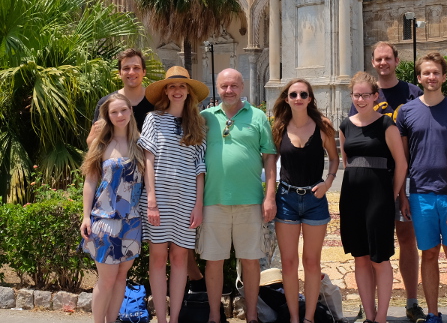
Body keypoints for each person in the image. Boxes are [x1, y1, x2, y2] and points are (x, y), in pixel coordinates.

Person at [350, 41, 424, 322]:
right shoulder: (364, 94)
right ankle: (367, 304)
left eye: (387, 58)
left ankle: (411, 301)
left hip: (405, 177)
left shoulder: (412, 93)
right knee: (369, 245)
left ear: (396, 60)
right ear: (373, 62)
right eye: (378, 59)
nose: (383, 63)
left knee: (406, 238)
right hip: (373, 181)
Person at [199, 68, 277, 323]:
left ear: (242, 87)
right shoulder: (206, 117)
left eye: (234, 85)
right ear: (217, 88)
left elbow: (269, 157)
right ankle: (214, 316)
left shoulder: (258, 116)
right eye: (224, 86)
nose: (229, 90)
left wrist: (270, 196)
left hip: (250, 201)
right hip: (213, 201)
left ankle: (252, 315)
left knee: (251, 261)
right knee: (213, 262)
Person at [396, 53, 447, 323]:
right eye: (426, 73)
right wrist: (403, 195)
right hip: (420, 193)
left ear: (444, 77)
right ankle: (433, 313)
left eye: (436, 72)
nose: (431, 77)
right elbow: (403, 159)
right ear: (419, 78)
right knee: (428, 254)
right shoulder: (407, 112)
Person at [138, 66, 209, 323]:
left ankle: (175, 318)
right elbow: (148, 159)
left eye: (182, 86)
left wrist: (198, 205)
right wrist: (151, 200)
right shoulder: (153, 119)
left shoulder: (198, 124)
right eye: (172, 86)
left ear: (188, 91)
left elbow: (200, 167)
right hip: (158, 199)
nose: (177, 90)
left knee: (180, 259)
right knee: (158, 259)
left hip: (186, 201)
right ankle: (161, 318)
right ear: (166, 91)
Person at [339, 71, 408, 323]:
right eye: (356, 95)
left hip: (379, 197)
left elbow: (401, 163)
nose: (360, 99)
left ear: (375, 96)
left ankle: (381, 317)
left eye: (365, 95)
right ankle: (369, 316)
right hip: (351, 196)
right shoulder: (345, 125)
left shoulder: (387, 125)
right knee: (360, 257)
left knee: (380, 258)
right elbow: (347, 162)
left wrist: (392, 193)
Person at [271, 79, 339, 323]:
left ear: (310, 98)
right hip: (286, 199)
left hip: (314, 199)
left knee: (312, 263)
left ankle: (309, 318)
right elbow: (270, 162)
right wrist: (268, 194)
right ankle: (293, 317)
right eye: (293, 94)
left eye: (303, 94)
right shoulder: (279, 127)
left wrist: (328, 182)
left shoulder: (323, 126)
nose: (298, 98)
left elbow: (334, 158)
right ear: (286, 99)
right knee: (289, 263)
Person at [80, 93, 145, 323]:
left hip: (132, 221)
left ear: (131, 111)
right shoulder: (101, 144)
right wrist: (85, 216)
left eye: (123, 110)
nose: (120, 115)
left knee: (120, 279)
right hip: (104, 220)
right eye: (114, 112)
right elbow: (90, 181)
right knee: (106, 280)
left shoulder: (142, 144)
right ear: (107, 116)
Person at [87, 49, 154, 147]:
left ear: (144, 72)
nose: (131, 72)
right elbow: (91, 142)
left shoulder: (156, 101)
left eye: (136, 68)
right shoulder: (106, 103)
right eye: (126, 68)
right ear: (120, 73)